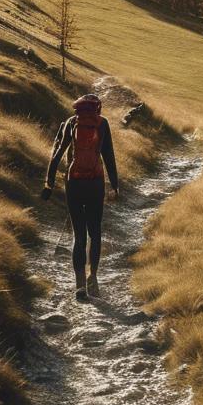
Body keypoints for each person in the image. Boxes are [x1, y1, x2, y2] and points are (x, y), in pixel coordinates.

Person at [41, 93, 119, 301]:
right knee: (95, 232)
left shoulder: (70, 123)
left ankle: (80, 285)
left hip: (74, 184)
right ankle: (93, 278)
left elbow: (57, 154)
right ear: (97, 109)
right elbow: (108, 155)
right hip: (95, 183)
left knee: (79, 234)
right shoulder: (103, 124)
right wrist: (115, 185)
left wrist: (48, 183)